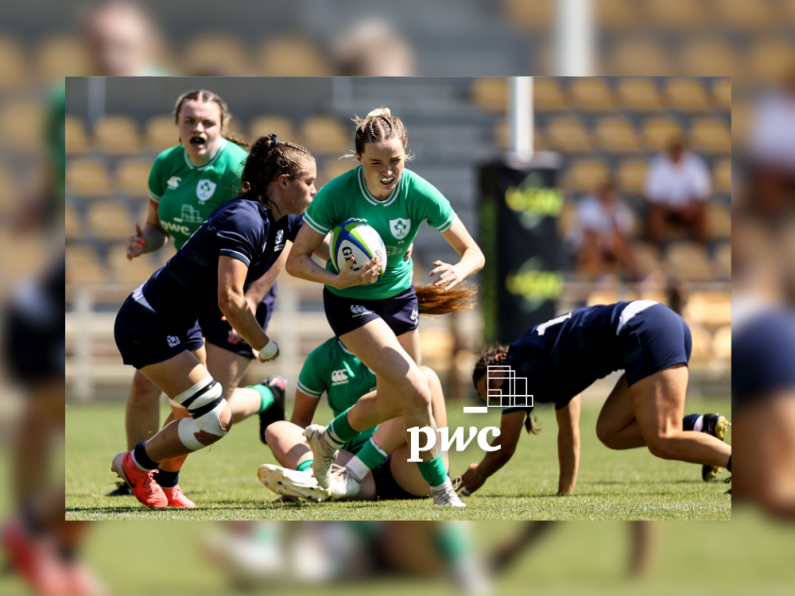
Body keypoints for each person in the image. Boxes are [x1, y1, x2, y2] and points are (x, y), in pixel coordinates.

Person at [110, 134, 325, 509]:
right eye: (309, 181)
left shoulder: (281, 217)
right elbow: (231, 299)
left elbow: (320, 241)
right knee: (215, 419)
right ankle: (135, 464)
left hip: (180, 321)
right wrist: (264, 344)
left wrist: (358, 256)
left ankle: (168, 481)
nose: (314, 189)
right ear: (283, 183)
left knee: (187, 410)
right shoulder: (245, 218)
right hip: (149, 322)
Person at [286, 107, 484, 507]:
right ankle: (441, 491)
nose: (387, 170)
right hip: (350, 300)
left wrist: (459, 270)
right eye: (376, 162)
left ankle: (330, 439)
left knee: (402, 399)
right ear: (358, 158)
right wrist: (336, 278)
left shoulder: (419, 192)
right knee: (418, 388)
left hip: (399, 300)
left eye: (394, 160)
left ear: (405, 154)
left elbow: (474, 252)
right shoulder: (336, 195)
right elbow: (296, 260)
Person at [461, 300, 731, 497]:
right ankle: (698, 428)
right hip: (654, 323)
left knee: (661, 439)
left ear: (498, 360)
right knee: (609, 431)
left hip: (642, 329)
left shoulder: (518, 363)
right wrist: (563, 496)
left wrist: (479, 473)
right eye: (494, 396)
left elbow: (505, 446)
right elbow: (568, 436)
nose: (501, 394)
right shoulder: (542, 369)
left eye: (494, 385)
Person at [256, 335, 450, 502]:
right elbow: (300, 423)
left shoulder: (396, 344)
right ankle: (312, 480)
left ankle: (353, 472)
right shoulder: (322, 357)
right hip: (353, 469)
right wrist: (296, 469)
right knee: (277, 430)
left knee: (425, 380)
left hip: (408, 467)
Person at [644, 138, 711, 249]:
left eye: (680, 150)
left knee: (702, 215)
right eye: (674, 150)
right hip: (666, 208)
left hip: (688, 208)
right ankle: (656, 251)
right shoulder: (657, 165)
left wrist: (690, 206)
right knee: (655, 216)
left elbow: (703, 195)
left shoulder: (696, 165)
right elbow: (651, 197)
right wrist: (670, 206)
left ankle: (702, 251)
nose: (677, 153)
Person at [568, 180, 638, 280]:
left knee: (621, 243)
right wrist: (604, 240)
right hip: (583, 248)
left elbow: (627, 234)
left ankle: (635, 277)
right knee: (594, 244)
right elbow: (588, 232)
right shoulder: (587, 207)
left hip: (612, 249)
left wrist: (613, 220)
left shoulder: (621, 208)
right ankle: (597, 278)